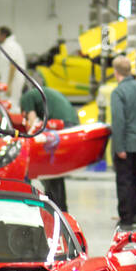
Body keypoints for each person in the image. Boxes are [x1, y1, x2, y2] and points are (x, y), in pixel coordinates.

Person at [19, 81, 79, 211]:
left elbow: (33, 122)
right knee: (53, 169)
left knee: (50, 168)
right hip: (71, 122)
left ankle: (57, 207)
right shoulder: (41, 93)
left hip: (61, 126)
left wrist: (27, 140)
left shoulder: (26, 97)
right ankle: (57, 205)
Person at [109, 55, 136, 231]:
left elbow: (118, 121)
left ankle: (126, 219)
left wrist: (119, 147)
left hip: (125, 145)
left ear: (115, 72)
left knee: (124, 181)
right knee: (135, 180)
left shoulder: (118, 92)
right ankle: (135, 213)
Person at [0, 26, 28, 111]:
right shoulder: (8, 45)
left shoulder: (10, 45)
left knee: (11, 104)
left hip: (13, 81)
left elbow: (13, 65)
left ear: (3, 35)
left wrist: (9, 85)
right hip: (10, 80)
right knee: (8, 104)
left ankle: (12, 123)